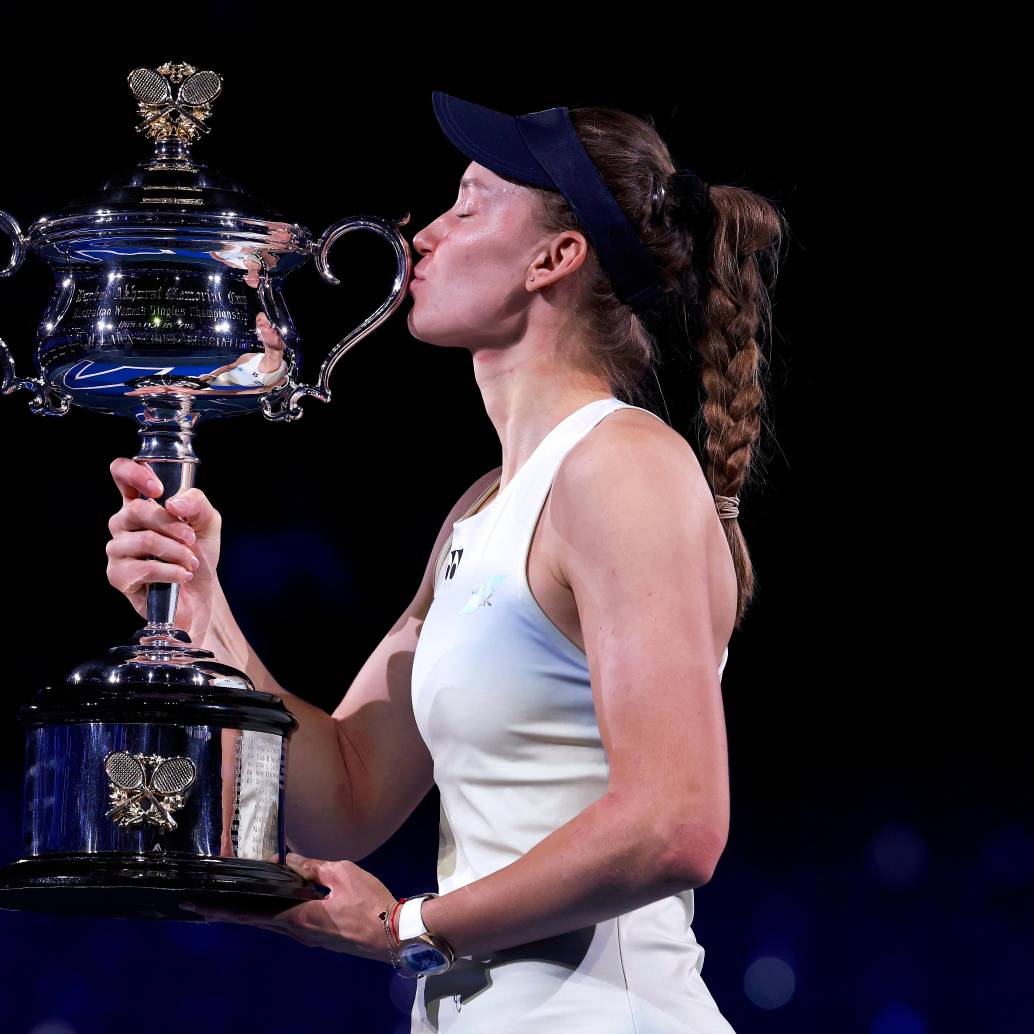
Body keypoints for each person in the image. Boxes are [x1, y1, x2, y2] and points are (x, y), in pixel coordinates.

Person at [103, 91, 784, 1032]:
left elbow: (676, 825)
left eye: (467, 205)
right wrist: (202, 613)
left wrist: (407, 928)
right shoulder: (482, 508)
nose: (422, 235)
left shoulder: (622, 468)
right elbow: (345, 795)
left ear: (554, 258)